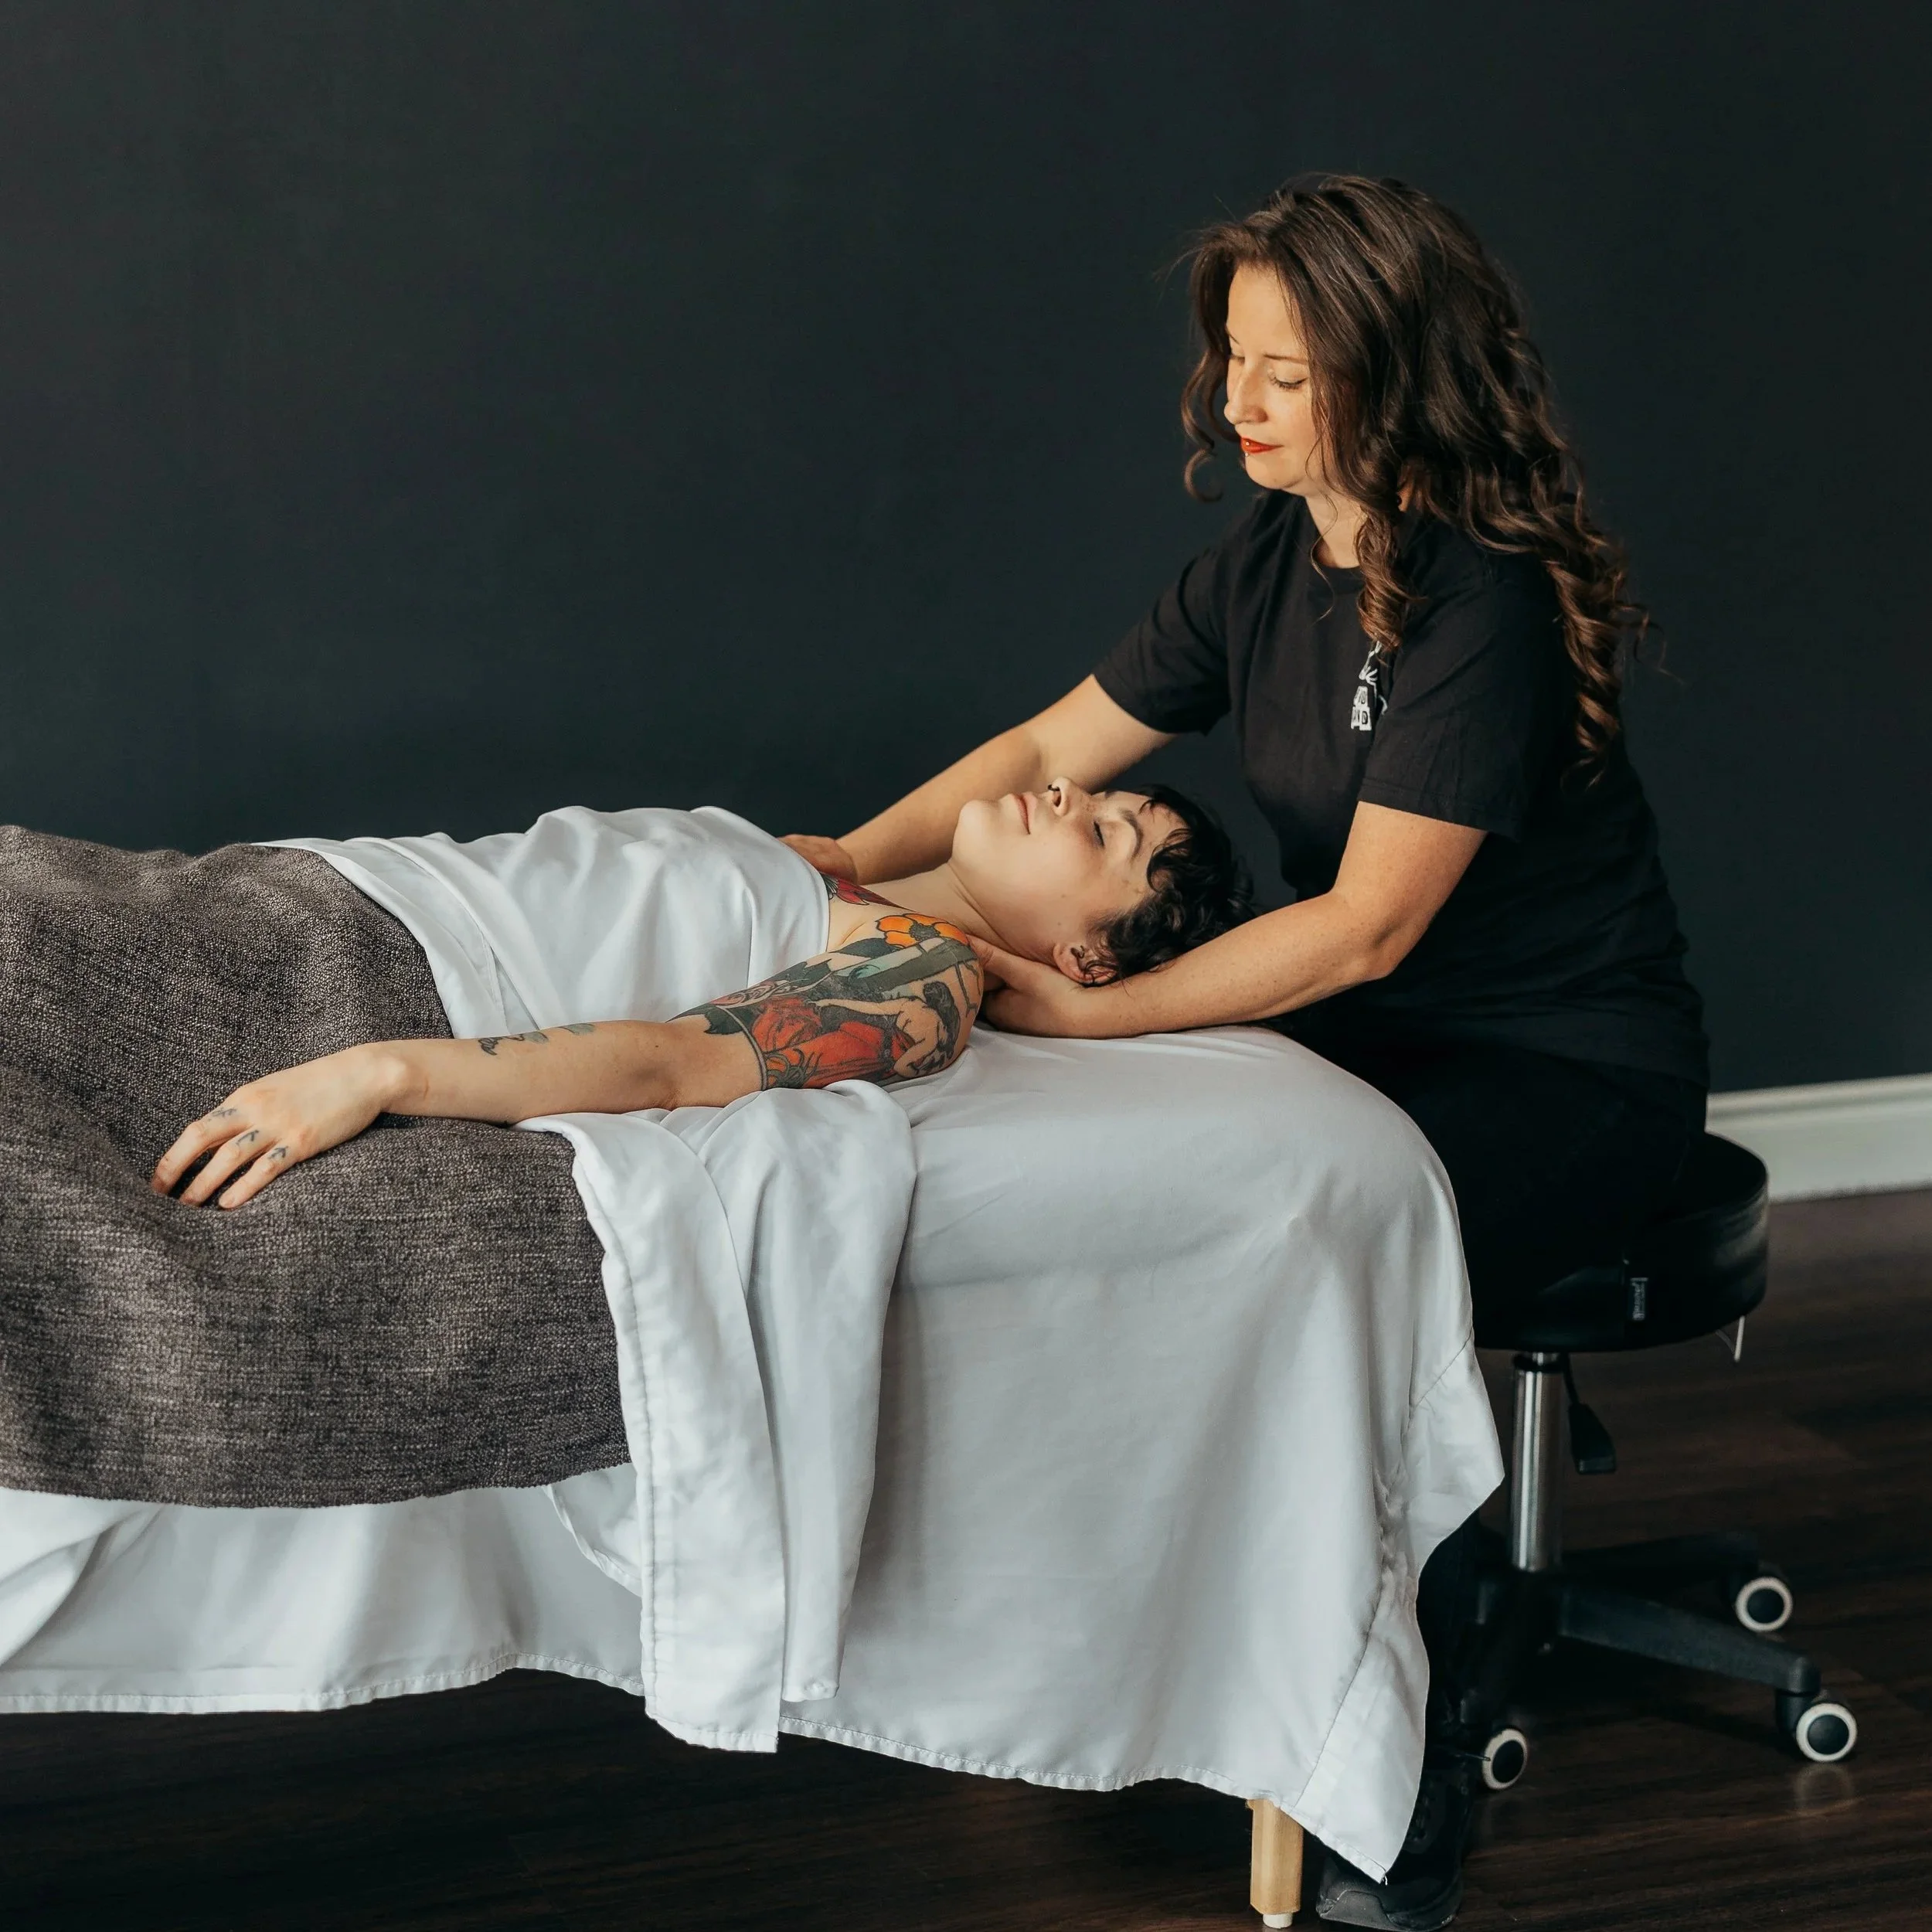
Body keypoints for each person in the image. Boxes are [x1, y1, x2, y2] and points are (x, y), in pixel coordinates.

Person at [782, 175, 1708, 1932]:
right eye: (1231, 359)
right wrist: (836, 861)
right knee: (1136, 1196)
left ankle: (1400, 1801)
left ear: (1397, 375)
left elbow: (1363, 927)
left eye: (1288, 371)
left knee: (1323, 1283)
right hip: (1380, 1038)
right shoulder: (1270, 562)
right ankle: (1154, 1659)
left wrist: (1086, 1007)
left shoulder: (1480, 600)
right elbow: (1041, 749)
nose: (1238, 401)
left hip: (1567, 1069)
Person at [152, 779, 1250, 1209]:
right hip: (339, 888)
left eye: (1104, 834)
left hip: (382, 979)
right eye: (1097, 794)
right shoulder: (836, 871)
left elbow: (672, 1062)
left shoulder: (926, 973)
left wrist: (377, 1071)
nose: (1066, 794)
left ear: (1086, 960)